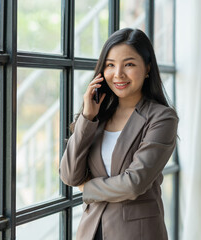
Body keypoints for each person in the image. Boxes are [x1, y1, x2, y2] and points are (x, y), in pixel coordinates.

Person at [59, 28, 178, 240]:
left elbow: (134, 183)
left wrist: (88, 188)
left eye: (129, 64)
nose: (118, 74)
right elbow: (69, 175)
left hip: (136, 234)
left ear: (148, 68)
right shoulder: (97, 115)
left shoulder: (162, 118)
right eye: (110, 65)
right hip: (91, 230)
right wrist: (87, 117)